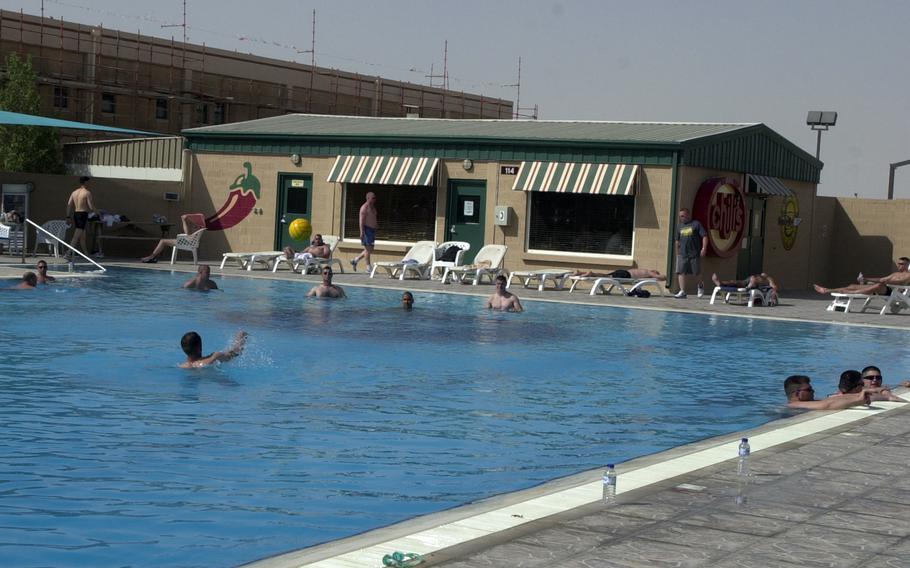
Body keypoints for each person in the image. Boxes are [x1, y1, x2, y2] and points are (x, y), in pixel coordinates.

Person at [814, 257, 910, 295]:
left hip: (893, 292)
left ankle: (853, 293)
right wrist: (866, 278)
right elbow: (882, 279)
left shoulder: (908, 275)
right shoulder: (895, 274)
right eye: (898, 263)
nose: (899, 265)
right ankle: (826, 290)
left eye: (902, 264)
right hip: (884, 286)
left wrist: (881, 282)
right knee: (852, 285)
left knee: (879, 285)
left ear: (907, 265)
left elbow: (899, 282)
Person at [140, 214, 205, 263]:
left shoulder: (197, 227)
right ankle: (152, 257)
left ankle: (151, 257)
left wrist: (184, 220)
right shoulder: (201, 226)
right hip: (189, 241)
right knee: (164, 241)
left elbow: (187, 233)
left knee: (163, 241)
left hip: (186, 242)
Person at [674, 208, 708, 299]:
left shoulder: (696, 224)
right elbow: (677, 240)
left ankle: (700, 286)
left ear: (688, 215)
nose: (681, 218)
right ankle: (682, 292)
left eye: (683, 216)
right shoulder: (679, 226)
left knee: (696, 273)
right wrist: (677, 253)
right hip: (682, 253)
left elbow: (704, 236)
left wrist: (703, 248)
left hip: (694, 253)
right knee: (680, 272)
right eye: (680, 216)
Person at [785, 375, 870, 410]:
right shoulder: (794, 406)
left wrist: (858, 395)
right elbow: (827, 405)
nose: (813, 391)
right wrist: (859, 400)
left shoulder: (808, 403)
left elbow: (829, 400)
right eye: (809, 390)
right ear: (796, 394)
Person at [65, 176, 97, 258]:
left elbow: (69, 205)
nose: (90, 184)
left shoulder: (74, 192)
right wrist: (98, 212)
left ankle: (86, 254)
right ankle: (68, 253)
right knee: (76, 235)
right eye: (88, 182)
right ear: (86, 182)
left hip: (76, 214)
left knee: (82, 235)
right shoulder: (87, 193)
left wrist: (68, 216)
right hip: (82, 214)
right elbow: (90, 206)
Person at [179, 330, 247, 368]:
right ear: (200, 347)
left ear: (183, 349)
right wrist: (241, 337)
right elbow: (236, 352)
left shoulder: (182, 366)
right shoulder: (213, 358)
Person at [711, 272, 779, 305]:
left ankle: (720, 283)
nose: (763, 274)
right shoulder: (766, 279)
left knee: (736, 283)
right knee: (735, 283)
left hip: (751, 283)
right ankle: (720, 283)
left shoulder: (768, 280)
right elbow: (774, 288)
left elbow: (774, 288)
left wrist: (773, 298)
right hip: (750, 282)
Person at [350, 192, 377, 273]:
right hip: (367, 230)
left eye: (375, 198)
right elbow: (361, 221)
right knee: (368, 249)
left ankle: (355, 260)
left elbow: (373, 217)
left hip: (372, 230)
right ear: (368, 198)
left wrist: (376, 226)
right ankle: (368, 268)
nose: (374, 200)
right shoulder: (364, 208)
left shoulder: (372, 207)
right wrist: (362, 232)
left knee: (370, 249)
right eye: (373, 198)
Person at [570, 268, 667, 281]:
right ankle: (591, 273)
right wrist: (667, 277)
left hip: (624, 271)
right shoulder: (649, 272)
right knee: (607, 276)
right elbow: (660, 277)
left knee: (606, 275)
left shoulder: (642, 270)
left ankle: (580, 272)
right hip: (626, 275)